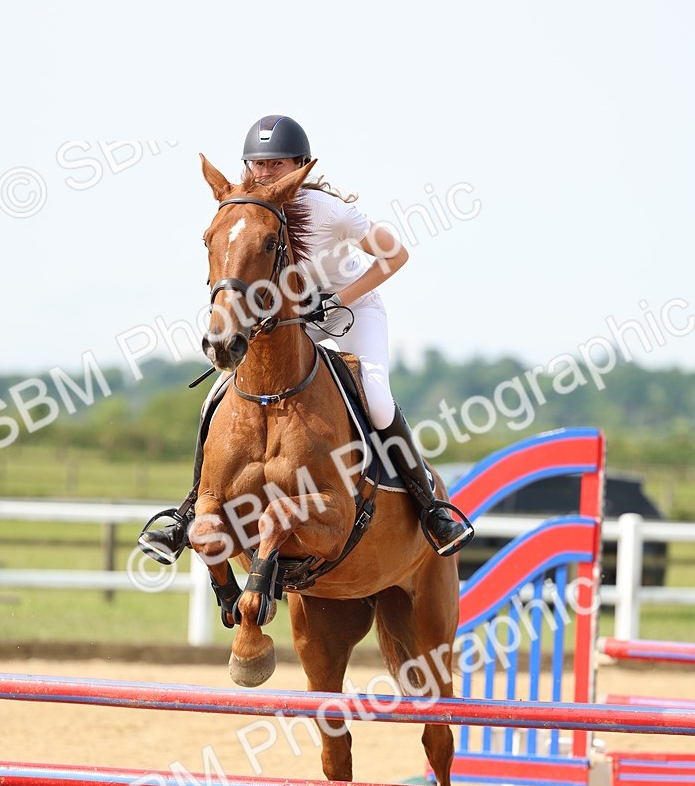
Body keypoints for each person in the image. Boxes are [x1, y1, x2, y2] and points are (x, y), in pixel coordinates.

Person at [144, 115, 473, 561]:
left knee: (375, 400)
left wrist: (337, 296)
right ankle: (187, 514)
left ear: (300, 165)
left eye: (277, 164)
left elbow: (395, 254)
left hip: (352, 310)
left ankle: (430, 508)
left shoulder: (328, 212)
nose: (265, 173)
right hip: (292, 320)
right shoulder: (245, 212)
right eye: (257, 164)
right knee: (214, 401)